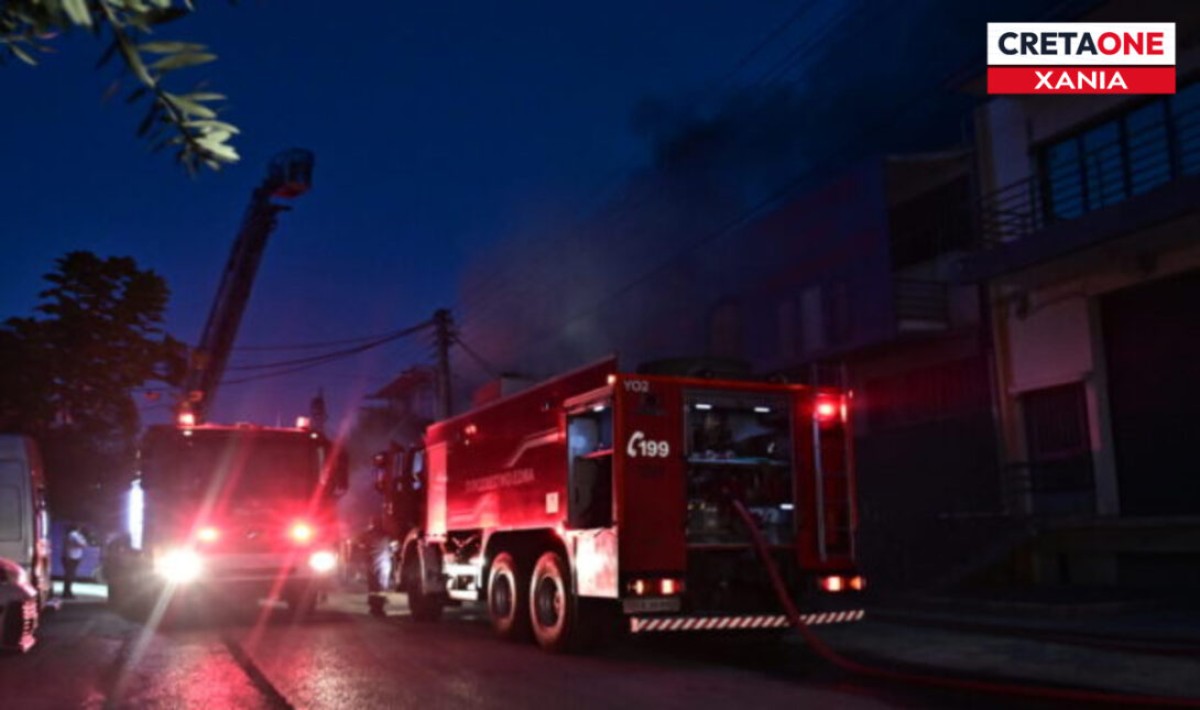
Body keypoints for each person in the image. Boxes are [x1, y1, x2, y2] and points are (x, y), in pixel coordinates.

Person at [362, 516, 392, 617]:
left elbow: (361, 545)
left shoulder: (367, 534)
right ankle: (379, 607)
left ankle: (373, 607)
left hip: (371, 563)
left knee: (372, 585)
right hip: (384, 563)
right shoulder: (386, 534)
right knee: (381, 586)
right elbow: (392, 547)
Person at [62, 523, 88, 599]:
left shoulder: (72, 534)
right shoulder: (73, 535)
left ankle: (67, 592)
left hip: (71, 557)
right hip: (71, 557)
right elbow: (83, 544)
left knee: (69, 575)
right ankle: (67, 593)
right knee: (69, 576)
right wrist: (83, 540)